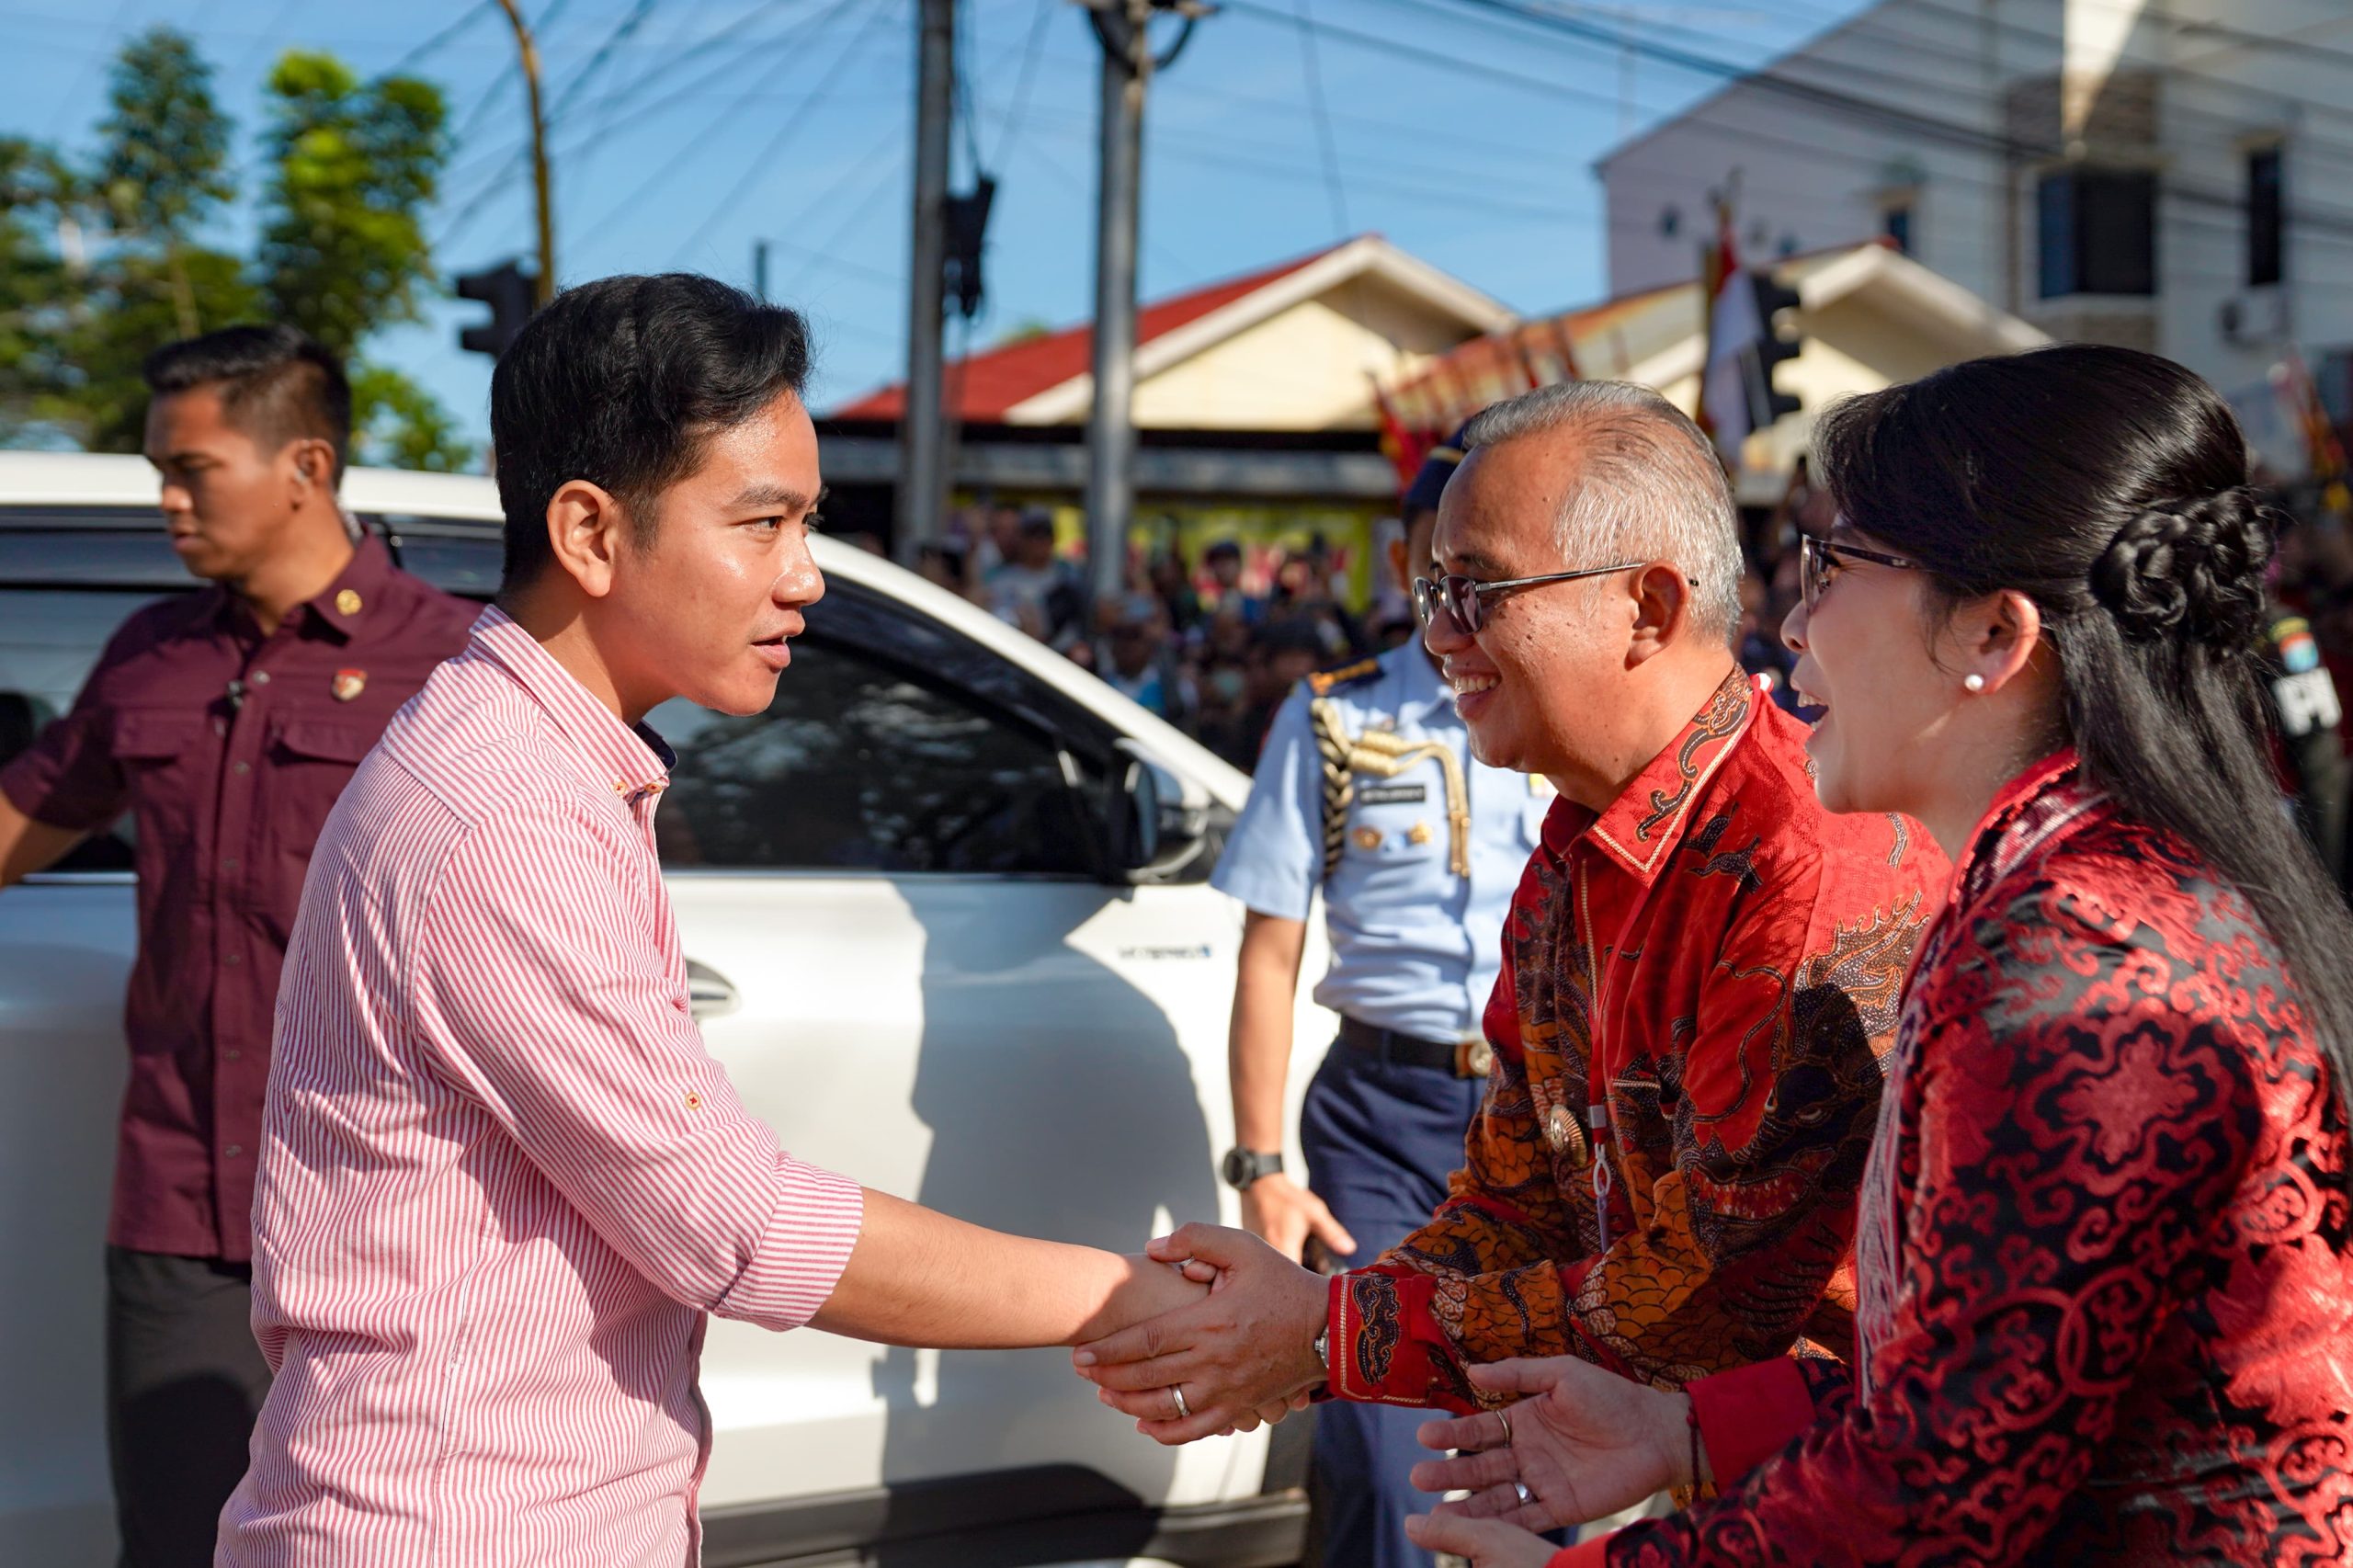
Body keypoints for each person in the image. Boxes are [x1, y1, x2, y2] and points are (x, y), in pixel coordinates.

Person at [217, 276, 1277, 1567]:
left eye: (806, 523)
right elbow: (736, 1224)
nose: (806, 577)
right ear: (592, 533)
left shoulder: (539, 764)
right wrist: (1122, 1295)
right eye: (761, 522)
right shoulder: (503, 815)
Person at [1399, 344, 2353, 1568]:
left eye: (1833, 567)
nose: (1792, 622)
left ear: (1993, 636)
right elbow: (1997, 1379)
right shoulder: (2055, 898)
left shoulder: (2082, 966)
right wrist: (1691, 1431)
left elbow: (1950, 1487)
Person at [1072, 381, 1947, 1448]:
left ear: (1648, 609)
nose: (1437, 633)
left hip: (1861, 1486)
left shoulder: (1799, 858)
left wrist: (1318, 1336)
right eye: (1431, 587)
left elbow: (1712, 1295)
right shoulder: (1575, 852)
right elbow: (1517, 1202)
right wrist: (1290, 1336)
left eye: (1477, 588)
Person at [0, 325, 474, 1568]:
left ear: (305, 464)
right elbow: (16, 823)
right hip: (183, 1208)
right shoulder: (153, 656)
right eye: (160, 465)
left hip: (394, 1206)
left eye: (191, 469)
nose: (165, 496)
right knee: (174, 1541)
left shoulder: (458, 663)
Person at [1209, 430, 1552, 1568]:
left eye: (1482, 569)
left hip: (1543, 1110)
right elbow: (1270, 952)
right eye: (1434, 564)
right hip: (1377, 1113)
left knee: (1535, 1441)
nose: (1454, 596)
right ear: (1404, 559)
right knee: (1376, 1451)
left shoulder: (1564, 713)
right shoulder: (1330, 718)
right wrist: (1262, 1166)